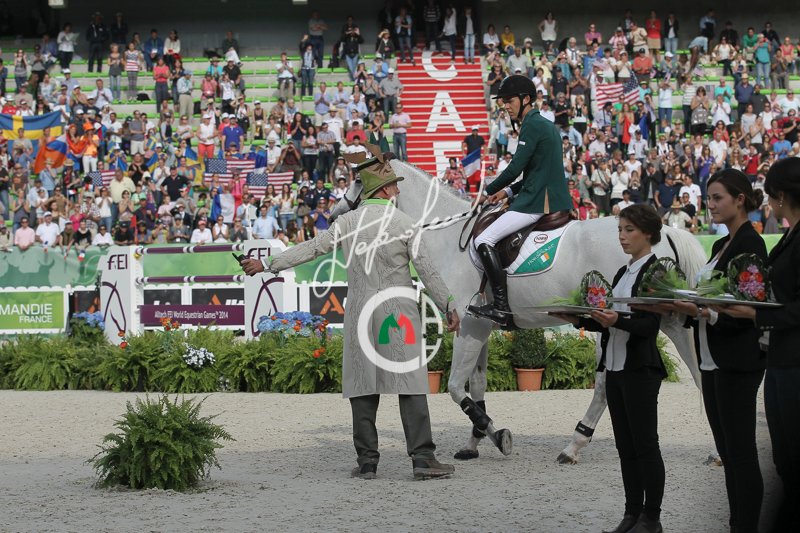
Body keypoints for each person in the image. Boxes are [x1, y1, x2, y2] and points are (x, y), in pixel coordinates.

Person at [241, 148, 459, 480]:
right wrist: (448, 305)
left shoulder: (346, 222)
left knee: (362, 383)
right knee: (411, 383)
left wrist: (267, 264)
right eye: (394, 185)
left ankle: (368, 461)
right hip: (398, 313)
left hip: (360, 311)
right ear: (384, 189)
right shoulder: (405, 224)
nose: (397, 190)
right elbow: (427, 272)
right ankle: (423, 458)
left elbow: (310, 249)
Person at [555, 204, 666, 533]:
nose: (622, 236)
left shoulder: (655, 272)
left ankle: (651, 517)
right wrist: (576, 318)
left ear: (648, 233)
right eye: (620, 229)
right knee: (625, 448)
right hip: (615, 369)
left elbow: (649, 327)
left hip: (640, 369)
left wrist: (616, 319)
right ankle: (631, 514)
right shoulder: (622, 272)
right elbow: (608, 323)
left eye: (629, 229)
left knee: (646, 446)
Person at [715, 158, 800, 532]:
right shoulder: (788, 237)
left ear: (780, 196)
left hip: (792, 360)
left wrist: (754, 313)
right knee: (783, 459)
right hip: (780, 357)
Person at [467, 75, 572, 327]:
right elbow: (535, 172)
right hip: (545, 194)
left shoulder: (531, 125)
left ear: (526, 99)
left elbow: (515, 168)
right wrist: (506, 193)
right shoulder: (543, 124)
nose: (505, 106)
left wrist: (488, 190)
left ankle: (501, 306)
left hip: (537, 202)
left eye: (509, 100)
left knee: (483, 240)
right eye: (503, 102)